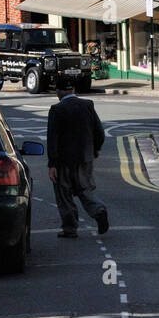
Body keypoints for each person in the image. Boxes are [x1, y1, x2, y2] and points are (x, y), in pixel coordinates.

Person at [47, 84, 109, 239]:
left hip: (63, 160)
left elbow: (52, 139)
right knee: (85, 189)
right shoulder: (87, 105)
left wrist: (52, 164)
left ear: (58, 93)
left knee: (64, 194)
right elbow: (99, 131)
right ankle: (98, 210)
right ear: (73, 90)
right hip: (85, 157)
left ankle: (70, 228)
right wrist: (95, 148)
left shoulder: (56, 109)